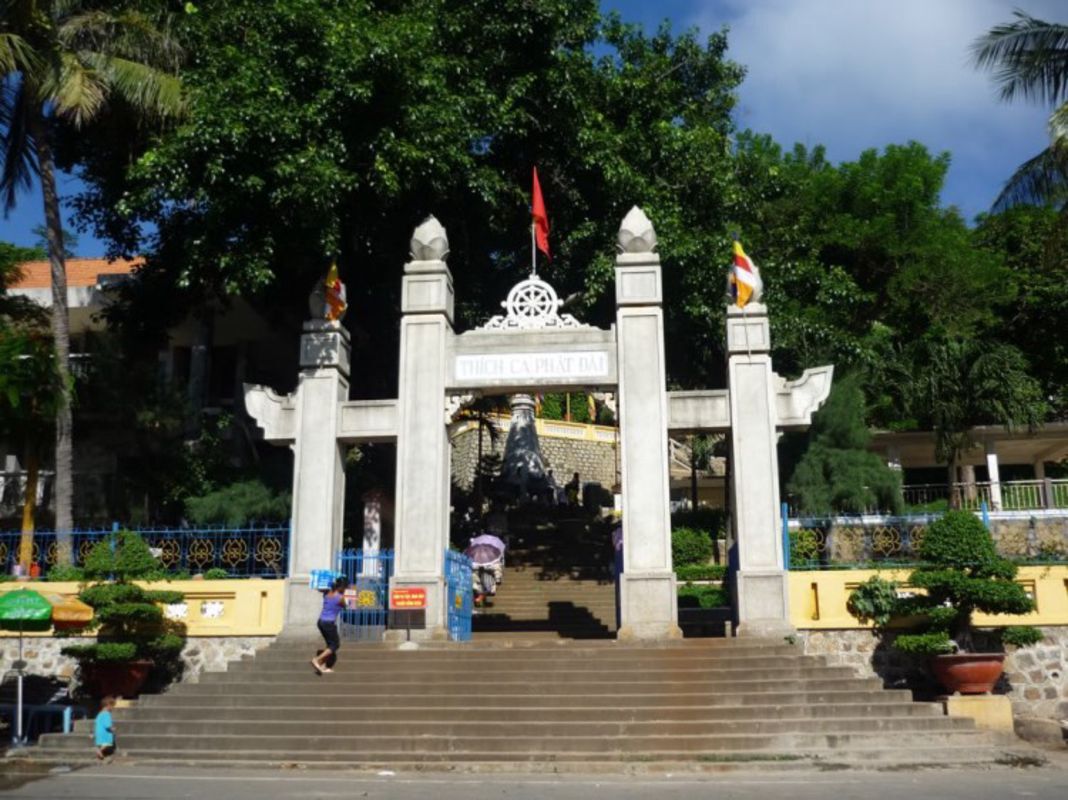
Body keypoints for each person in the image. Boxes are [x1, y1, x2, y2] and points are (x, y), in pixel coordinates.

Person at [311, 577, 349, 674]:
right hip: (329, 623)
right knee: (335, 645)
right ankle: (317, 660)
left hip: (321, 622)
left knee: (329, 644)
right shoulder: (340, 598)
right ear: (341, 587)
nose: (346, 589)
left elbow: (319, 589)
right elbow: (346, 606)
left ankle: (323, 666)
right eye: (345, 587)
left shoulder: (327, 593)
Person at [94, 696, 116, 760]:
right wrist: (112, 729)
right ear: (108, 706)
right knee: (107, 743)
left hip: (98, 731)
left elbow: (97, 722)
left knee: (102, 743)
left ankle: (100, 752)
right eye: (112, 706)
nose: (113, 708)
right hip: (105, 732)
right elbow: (107, 725)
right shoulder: (107, 714)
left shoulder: (100, 713)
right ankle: (99, 750)